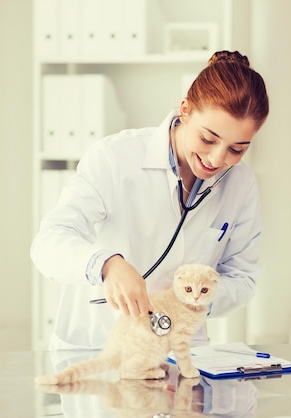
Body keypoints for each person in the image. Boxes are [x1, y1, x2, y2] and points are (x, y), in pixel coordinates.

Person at [31, 50, 269, 350]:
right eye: (208, 139)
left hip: (181, 350)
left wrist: (193, 299)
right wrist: (106, 264)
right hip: (99, 348)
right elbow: (49, 242)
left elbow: (243, 276)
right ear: (185, 109)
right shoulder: (115, 157)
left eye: (237, 149)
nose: (217, 159)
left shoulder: (241, 183)